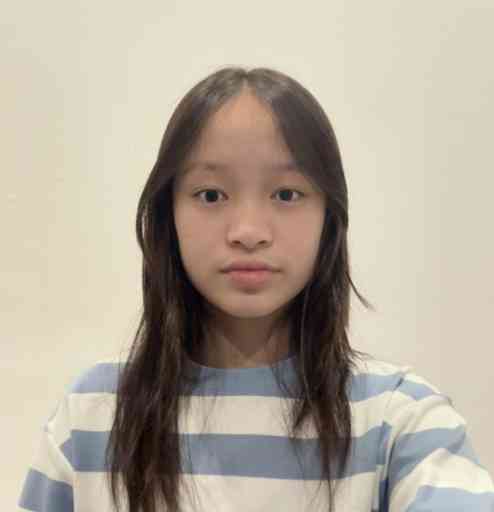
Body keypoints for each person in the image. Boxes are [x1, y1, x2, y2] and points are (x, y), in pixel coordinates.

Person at [17, 66, 494, 512]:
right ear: (168, 216)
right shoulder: (92, 415)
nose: (248, 231)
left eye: (287, 194)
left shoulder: (400, 419)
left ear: (329, 219)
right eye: (211, 195)